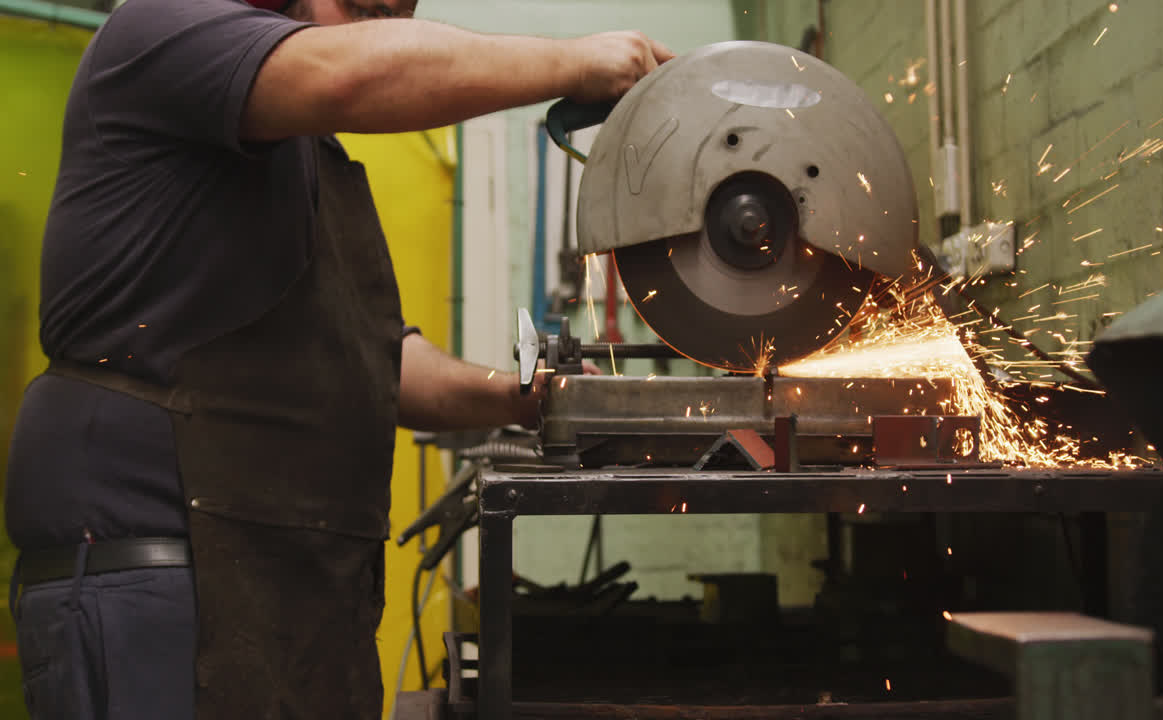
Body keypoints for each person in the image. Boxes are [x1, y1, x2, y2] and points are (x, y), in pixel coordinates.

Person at [3, 0, 672, 717]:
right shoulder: (164, 24)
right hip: (158, 567)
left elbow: (375, 359)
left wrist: (525, 396)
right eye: (364, 10)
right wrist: (578, 60)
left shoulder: (301, 156)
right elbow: (347, 77)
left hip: (283, 580)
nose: (381, 25)